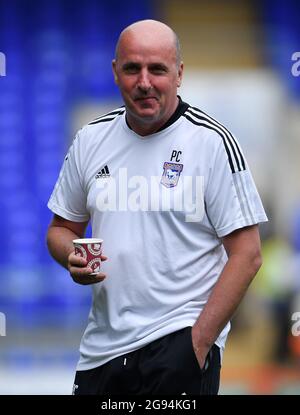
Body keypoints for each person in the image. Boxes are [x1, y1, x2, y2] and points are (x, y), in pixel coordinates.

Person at [46, 19, 268, 395]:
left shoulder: (211, 142)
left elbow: (247, 255)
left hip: (178, 344)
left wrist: (198, 344)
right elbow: (60, 229)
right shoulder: (90, 139)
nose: (144, 81)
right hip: (102, 352)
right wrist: (72, 256)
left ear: (179, 74)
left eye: (157, 69)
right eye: (132, 68)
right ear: (116, 73)